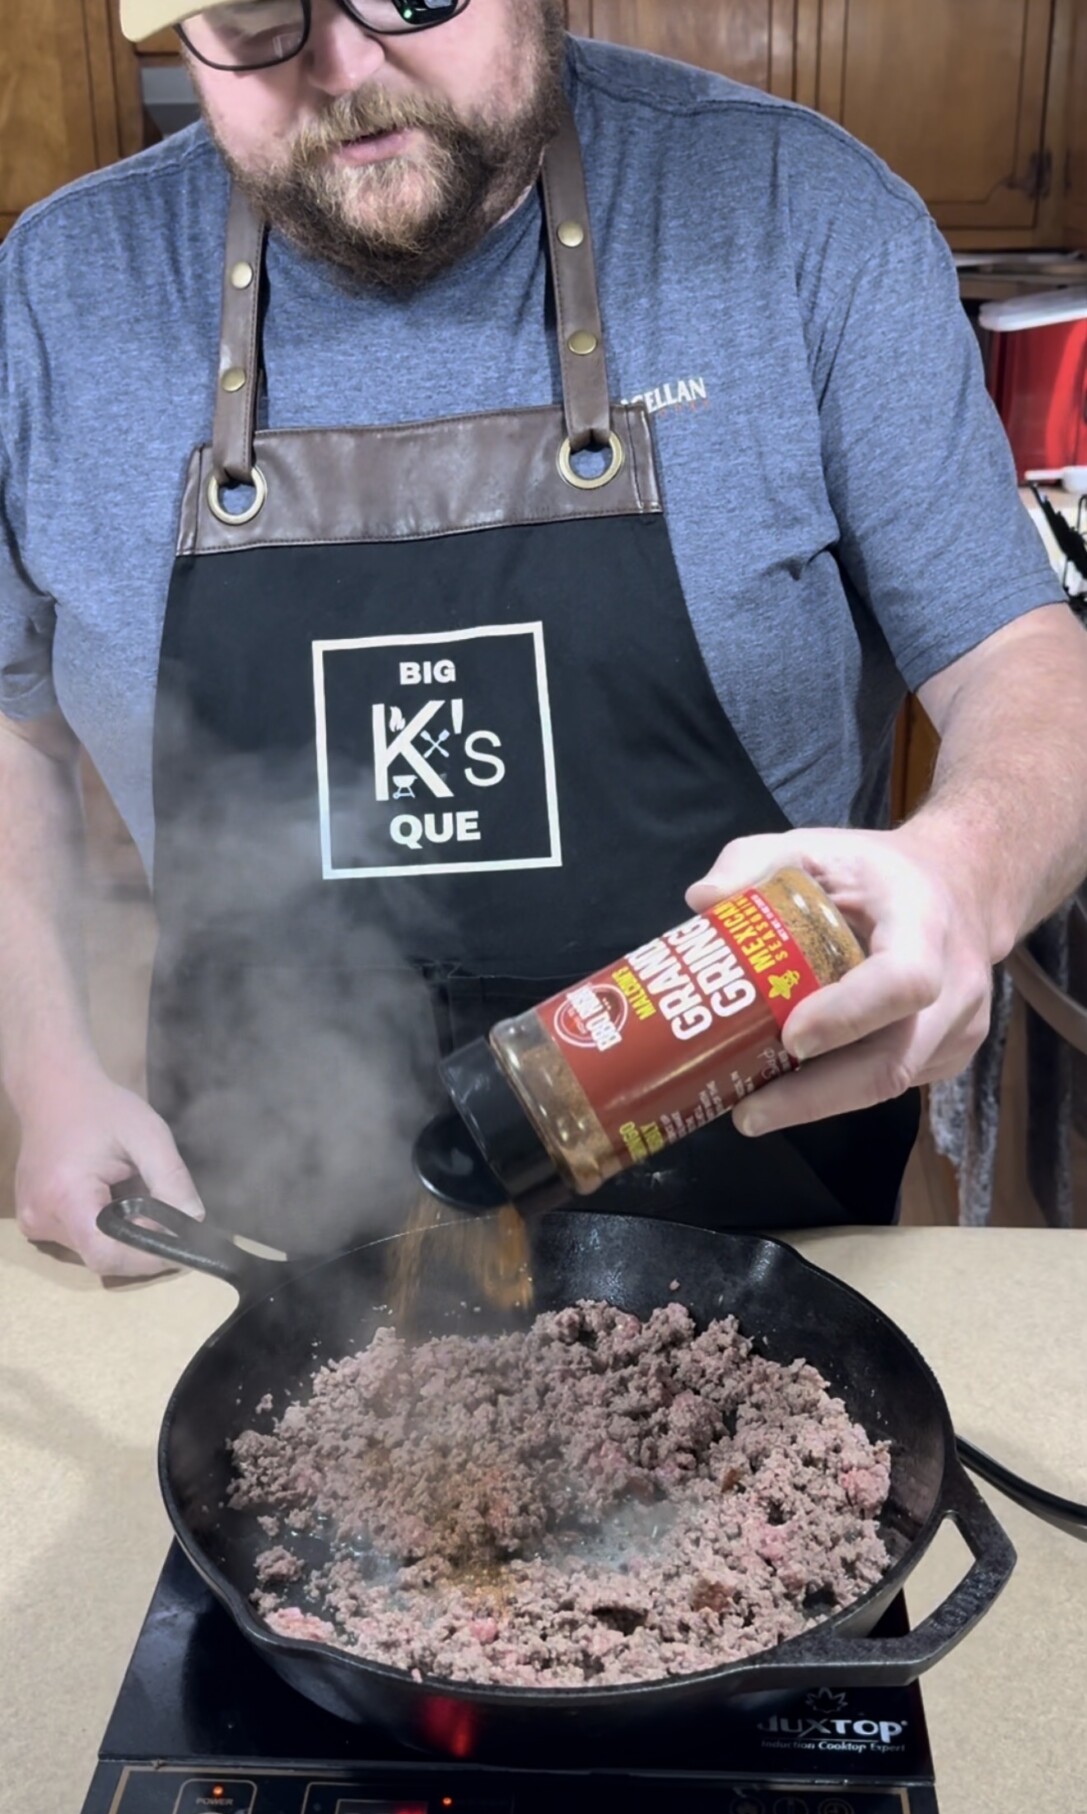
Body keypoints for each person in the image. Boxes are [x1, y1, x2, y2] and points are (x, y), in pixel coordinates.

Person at [1, 0, 1085, 1275]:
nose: (343, 66)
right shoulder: (64, 290)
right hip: (256, 1243)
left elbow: (1024, 660)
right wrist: (54, 1073)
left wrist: (964, 868)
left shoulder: (798, 214)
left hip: (773, 1228)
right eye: (252, 20)